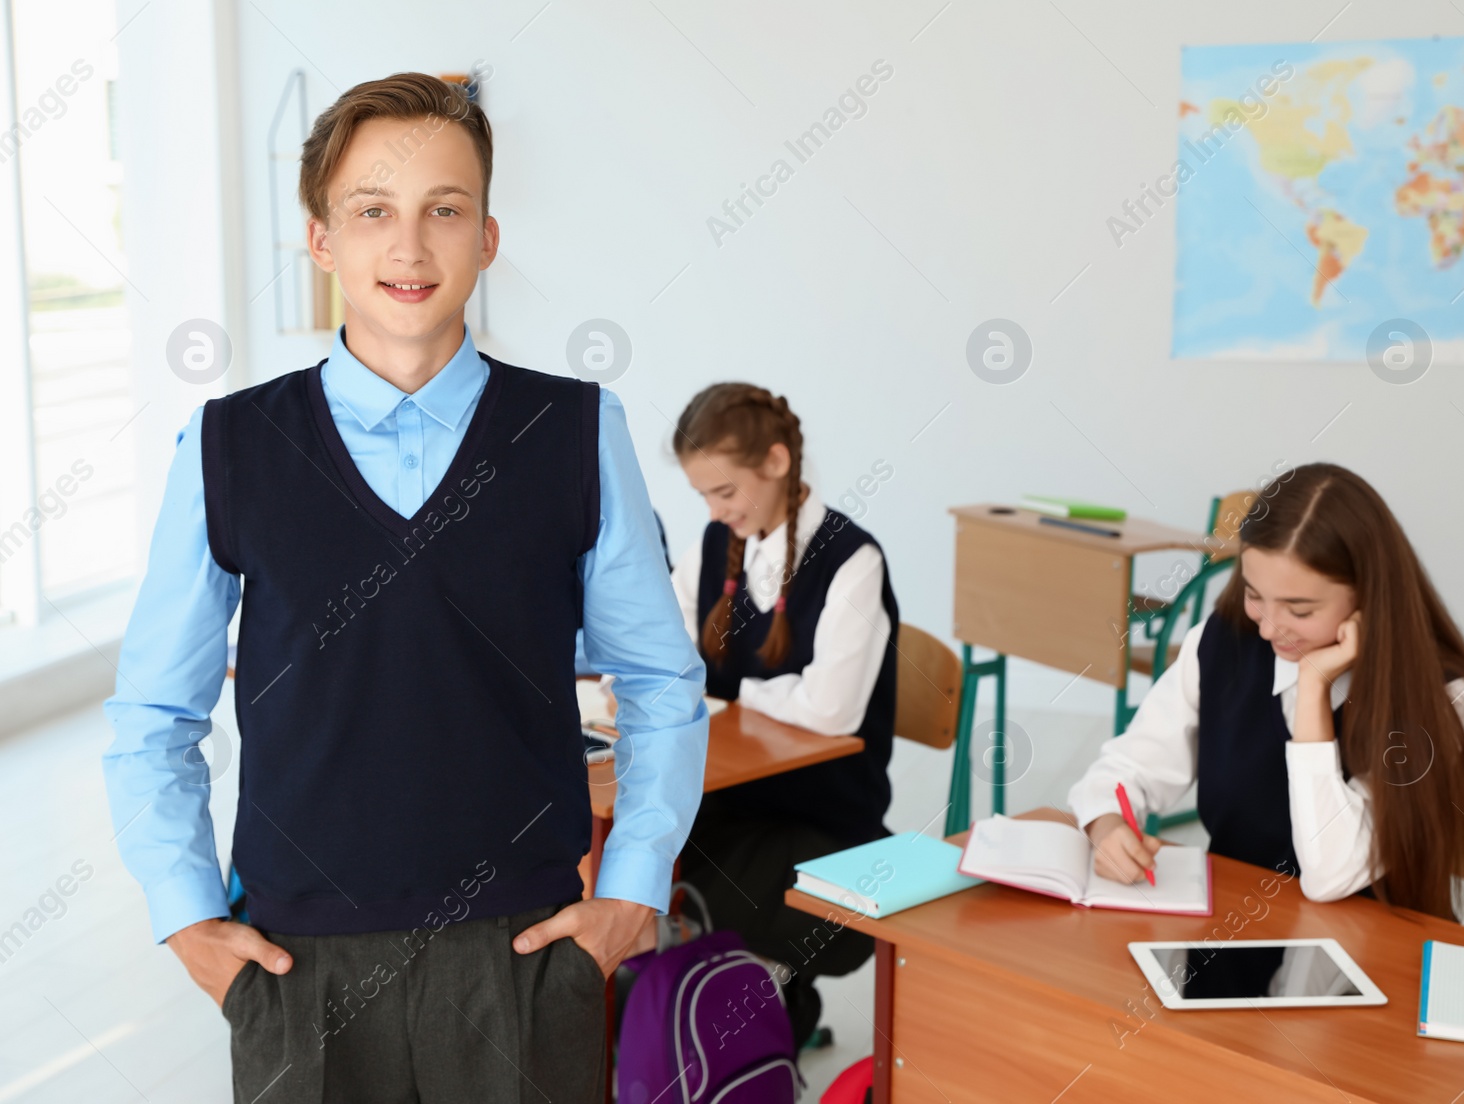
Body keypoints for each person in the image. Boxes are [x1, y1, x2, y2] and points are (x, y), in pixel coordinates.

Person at [101, 72, 707, 1104]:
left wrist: (632, 891)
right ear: (322, 241)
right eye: (373, 211)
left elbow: (658, 679)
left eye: (445, 210)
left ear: (489, 237)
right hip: (298, 961)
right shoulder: (228, 445)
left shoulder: (574, 431)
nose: (411, 247)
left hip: (522, 954)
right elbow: (155, 709)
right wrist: (186, 914)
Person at [1067, 462, 1464, 922]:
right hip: (1235, 935)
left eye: (1300, 609)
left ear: (1369, 596)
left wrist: (1312, 689)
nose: (1269, 628)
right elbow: (1125, 770)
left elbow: (1330, 877)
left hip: (1372, 953)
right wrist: (1107, 825)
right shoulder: (1221, 643)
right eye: (1254, 595)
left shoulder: (1443, 697)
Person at [661, 382, 899, 1048]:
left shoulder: (852, 560)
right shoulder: (718, 544)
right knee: (635, 852)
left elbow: (830, 710)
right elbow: (664, 639)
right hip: (733, 800)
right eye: (703, 496)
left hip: (822, 820)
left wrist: (729, 692)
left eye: (725, 492)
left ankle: (749, 1016)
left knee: (674, 886)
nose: (714, 511)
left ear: (775, 462)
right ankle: (718, 1013)